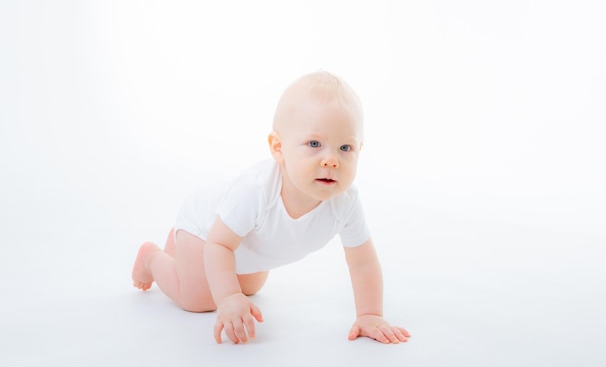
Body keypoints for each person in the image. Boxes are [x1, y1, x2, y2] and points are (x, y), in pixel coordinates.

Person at [132, 70, 410, 345]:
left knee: (251, 287)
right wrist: (228, 299)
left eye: (345, 148)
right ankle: (153, 258)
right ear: (278, 148)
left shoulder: (345, 202)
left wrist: (370, 314)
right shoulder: (256, 190)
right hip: (207, 231)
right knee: (200, 299)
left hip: (243, 247)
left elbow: (362, 262)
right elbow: (219, 245)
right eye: (314, 144)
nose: (331, 160)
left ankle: (179, 253)